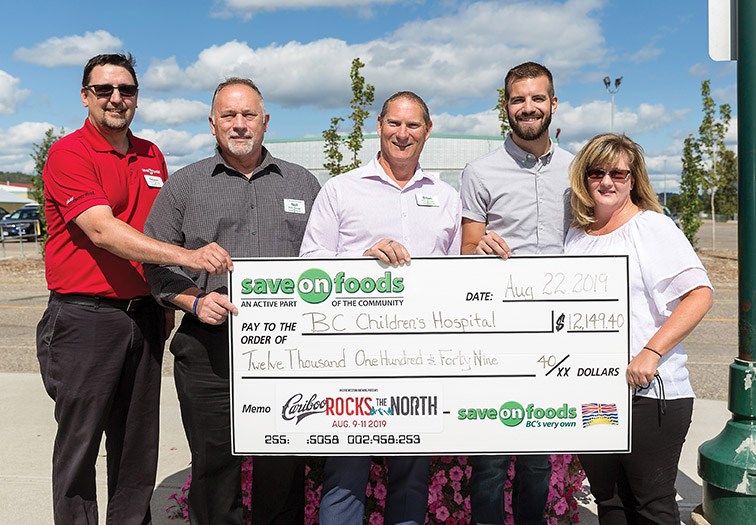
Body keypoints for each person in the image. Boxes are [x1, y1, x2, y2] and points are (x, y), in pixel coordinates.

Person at [37, 53, 232, 523]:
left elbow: (162, 228)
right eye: (103, 90)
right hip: (85, 318)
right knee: (80, 447)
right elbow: (102, 230)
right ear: (85, 96)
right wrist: (187, 258)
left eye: (126, 90)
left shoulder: (151, 154)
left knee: (136, 448)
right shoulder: (69, 154)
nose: (116, 99)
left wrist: (169, 299)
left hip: (142, 316)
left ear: (137, 98)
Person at [144, 77, 321, 524]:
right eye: (229, 115)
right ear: (212, 123)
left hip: (289, 349)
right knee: (214, 465)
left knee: (283, 461)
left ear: (265, 122)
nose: (239, 125)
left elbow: (328, 255)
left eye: (248, 115)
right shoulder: (183, 187)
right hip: (208, 348)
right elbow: (154, 261)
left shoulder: (303, 183)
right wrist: (192, 300)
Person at [300, 91, 461, 524]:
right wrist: (362, 260)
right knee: (345, 474)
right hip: (351, 358)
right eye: (394, 123)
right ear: (379, 125)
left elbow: (455, 278)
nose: (402, 134)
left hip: (420, 357)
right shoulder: (340, 189)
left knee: (411, 475)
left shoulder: (447, 197)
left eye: (413, 125)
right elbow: (309, 266)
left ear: (428, 131)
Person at [564, 133, 713, 524]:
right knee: (609, 502)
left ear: (633, 179)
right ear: (584, 178)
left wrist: (650, 351)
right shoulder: (577, 237)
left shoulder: (651, 227)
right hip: (594, 392)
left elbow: (699, 295)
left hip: (649, 394)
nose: (606, 182)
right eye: (597, 172)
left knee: (651, 507)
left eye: (618, 173)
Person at [459, 61, 573, 524]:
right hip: (498, 334)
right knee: (487, 464)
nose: (528, 107)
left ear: (553, 104)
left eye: (537, 98)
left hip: (559, 332)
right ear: (505, 106)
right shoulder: (479, 171)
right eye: (518, 99)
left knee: (537, 461)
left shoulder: (578, 169)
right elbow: (467, 249)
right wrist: (478, 247)